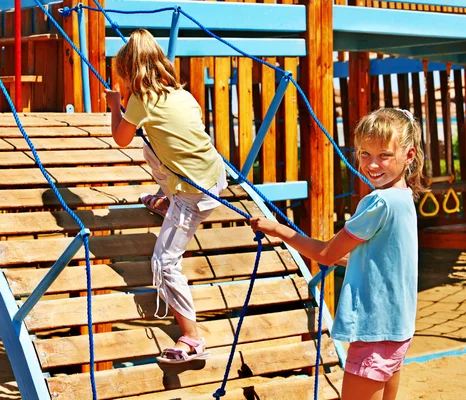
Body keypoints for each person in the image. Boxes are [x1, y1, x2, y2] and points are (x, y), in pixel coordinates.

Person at [250, 108, 426, 400]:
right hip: (397, 329)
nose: (372, 164)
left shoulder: (378, 202)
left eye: (383, 155)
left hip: (373, 330)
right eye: (364, 154)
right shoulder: (404, 197)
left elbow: (326, 254)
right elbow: (379, 260)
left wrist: (278, 229)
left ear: (408, 156)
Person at [104, 29, 227, 363]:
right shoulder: (181, 94)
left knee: (164, 261)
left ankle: (192, 337)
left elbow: (120, 139)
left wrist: (117, 103)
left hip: (194, 196)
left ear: (127, 73)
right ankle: (165, 199)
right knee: (151, 144)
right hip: (214, 177)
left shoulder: (140, 101)